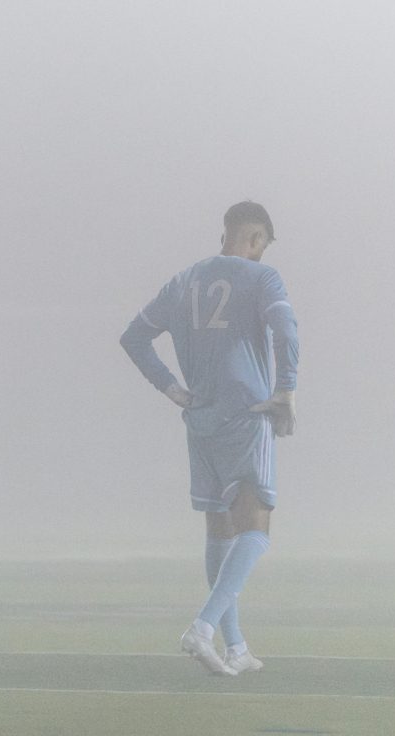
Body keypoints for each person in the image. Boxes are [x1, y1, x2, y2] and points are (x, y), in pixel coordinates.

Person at [119, 201, 299, 676]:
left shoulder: (183, 281)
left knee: (220, 529)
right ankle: (202, 627)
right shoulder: (263, 278)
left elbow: (133, 336)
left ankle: (236, 646)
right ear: (257, 240)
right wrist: (286, 390)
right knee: (256, 528)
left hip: (200, 417)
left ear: (225, 233)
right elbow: (286, 330)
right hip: (246, 413)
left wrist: (172, 387)